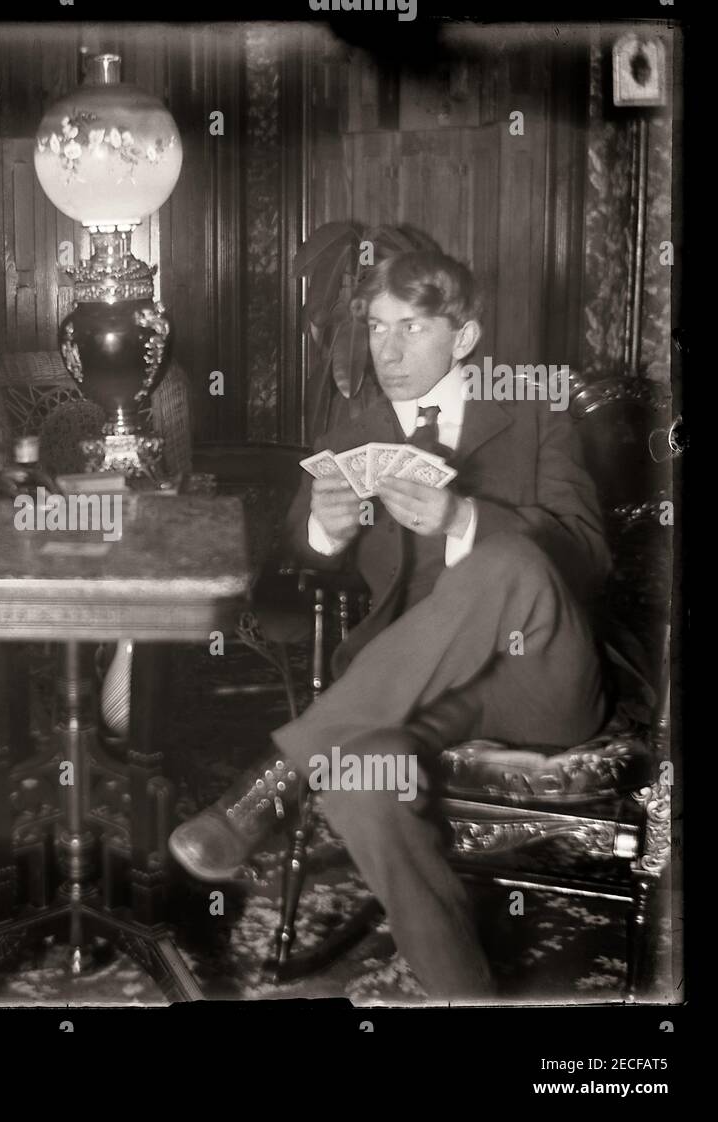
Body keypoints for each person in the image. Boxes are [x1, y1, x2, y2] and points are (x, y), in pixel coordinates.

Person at [169, 250, 610, 998]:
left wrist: (465, 517)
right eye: (377, 327)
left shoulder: (536, 409)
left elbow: (591, 557)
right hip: (417, 697)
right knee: (356, 773)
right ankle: (462, 993)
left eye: (413, 327)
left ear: (463, 338)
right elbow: (295, 560)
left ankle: (270, 786)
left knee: (508, 561)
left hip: (539, 676)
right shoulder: (352, 433)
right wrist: (326, 535)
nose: (389, 350)